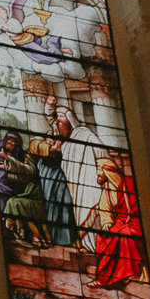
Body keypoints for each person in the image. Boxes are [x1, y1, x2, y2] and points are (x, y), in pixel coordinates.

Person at [44, 96, 105, 251]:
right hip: (73, 182)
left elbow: (101, 153)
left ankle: (97, 245)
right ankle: (87, 244)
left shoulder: (85, 135)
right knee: (79, 212)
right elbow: (52, 122)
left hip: (90, 180)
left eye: (60, 119)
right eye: (56, 120)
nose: (57, 124)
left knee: (90, 207)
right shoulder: (65, 140)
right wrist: (50, 107)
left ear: (70, 121)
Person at [93, 152, 148, 288]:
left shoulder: (129, 183)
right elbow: (104, 207)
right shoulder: (107, 189)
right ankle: (104, 277)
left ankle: (132, 272)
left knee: (126, 233)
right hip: (120, 222)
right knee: (104, 237)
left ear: (107, 173)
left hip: (135, 221)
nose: (97, 175)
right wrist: (106, 222)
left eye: (99, 172)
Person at [0, 131, 51, 246]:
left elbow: (24, 173)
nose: (11, 142)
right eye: (10, 139)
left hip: (14, 190)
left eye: (15, 141)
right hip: (1, 186)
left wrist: (8, 161)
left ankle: (7, 235)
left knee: (7, 203)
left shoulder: (22, 156)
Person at [28, 135, 77, 246]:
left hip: (60, 185)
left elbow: (57, 162)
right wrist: (53, 149)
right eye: (48, 142)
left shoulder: (57, 155)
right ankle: (56, 238)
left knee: (65, 207)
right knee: (52, 210)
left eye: (51, 142)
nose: (49, 144)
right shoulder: (41, 158)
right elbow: (34, 147)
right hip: (48, 188)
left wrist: (57, 151)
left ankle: (67, 239)